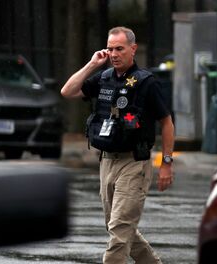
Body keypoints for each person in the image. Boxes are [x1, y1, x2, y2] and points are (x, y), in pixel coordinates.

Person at [61, 26, 174, 264]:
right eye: (110, 49)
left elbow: (166, 123)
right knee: (118, 228)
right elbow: (67, 91)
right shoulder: (103, 78)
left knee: (119, 232)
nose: (114, 54)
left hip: (134, 162)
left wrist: (166, 163)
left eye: (119, 49)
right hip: (107, 162)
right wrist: (93, 64)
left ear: (133, 49)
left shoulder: (146, 83)